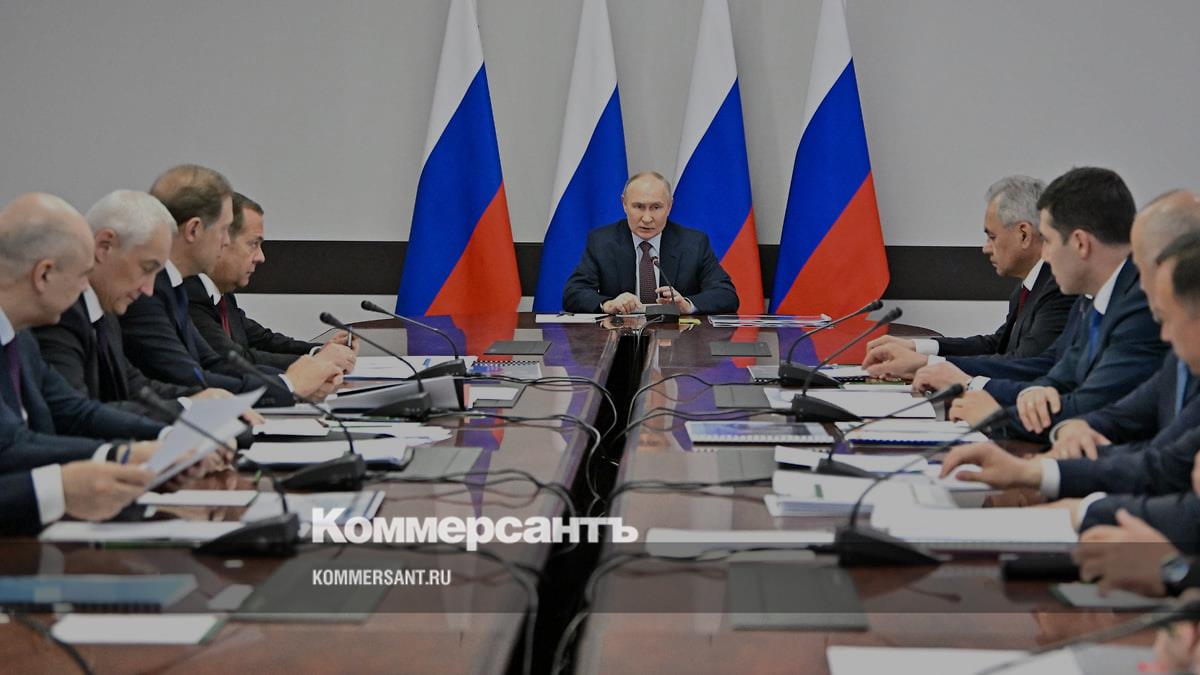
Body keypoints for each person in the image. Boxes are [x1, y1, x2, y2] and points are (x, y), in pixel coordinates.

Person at [939, 236, 1200, 543]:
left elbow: (1161, 465)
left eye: (1166, 319)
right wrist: (1070, 429)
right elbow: (1110, 409)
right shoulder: (1091, 304)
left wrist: (1078, 507)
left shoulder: (1135, 312)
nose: (1164, 335)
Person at [895, 167, 1165, 440]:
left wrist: (985, 404)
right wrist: (1027, 394)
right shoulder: (1093, 298)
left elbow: (1088, 405)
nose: (1044, 255)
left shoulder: (1142, 307)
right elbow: (1056, 374)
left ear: (1080, 243)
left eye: (1048, 241)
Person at [119, 165, 341, 405]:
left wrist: (295, 381)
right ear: (193, 230)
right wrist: (289, 385)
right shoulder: (147, 293)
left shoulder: (173, 287)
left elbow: (213, 364)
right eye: (224, 230)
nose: (226, 242)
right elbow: (190, 378)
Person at [33, 190, 242, 423]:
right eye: (146, 268)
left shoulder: (106, 310)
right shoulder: (63, 314)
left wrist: (201, 401)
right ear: (104, 246)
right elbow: (74, 414)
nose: (148, 290)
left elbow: (135, 386)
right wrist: (186, 408)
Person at [0, 193, 166, 470]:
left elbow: (74, 411)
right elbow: (10, 446)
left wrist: (165, 435)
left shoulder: (22, 338)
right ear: (44, 274)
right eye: (81, 275)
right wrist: (116, 455)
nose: (85, 288)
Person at [863, 176, 1076, 374]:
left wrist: (926, 365)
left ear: (1024, 234)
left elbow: (1023, 364)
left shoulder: (1059, 288)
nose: (986, 248)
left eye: (992, 237)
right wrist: (916, 347)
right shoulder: (1031, 286)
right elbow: (997, 345)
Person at [1046, 194, 1200, 460]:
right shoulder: (1177, 355)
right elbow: (1119, 415)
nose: (1138, 282)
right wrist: (1073, 429)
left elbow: (1164, 461)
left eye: (1137, 266)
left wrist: (1042, 471)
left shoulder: (1140, 314)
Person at [185, 192, 356, 372]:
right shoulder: (190, 296)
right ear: (221, 241)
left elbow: (263, 341)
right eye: (253, 244)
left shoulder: (222, 295)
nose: (261, 257)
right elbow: (234, 360)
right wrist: (317, 361)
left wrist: (321, 351)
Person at [562, 171, 738, 315]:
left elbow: (726, 295)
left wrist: (686, 305)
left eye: (656, 207)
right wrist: (608, 304)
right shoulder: (602, 241)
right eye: (638, 206)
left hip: (676, 339)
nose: (647, 218)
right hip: (620, 337)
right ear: (624, 204)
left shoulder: (693, 243)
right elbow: (573, 293)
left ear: (669, 206)